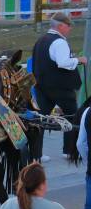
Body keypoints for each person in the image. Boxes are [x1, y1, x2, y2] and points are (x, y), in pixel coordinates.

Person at [31, 11, 86, 159]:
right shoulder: (59, 42)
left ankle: (37, 154)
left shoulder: (41, 40)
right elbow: (63, 63)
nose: (70, 29)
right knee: (71, 116)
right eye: (68, 26)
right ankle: (68, 151)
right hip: (60, 87)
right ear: (61, 26)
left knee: (41, 119)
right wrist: (79, 60)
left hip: (42, 87)